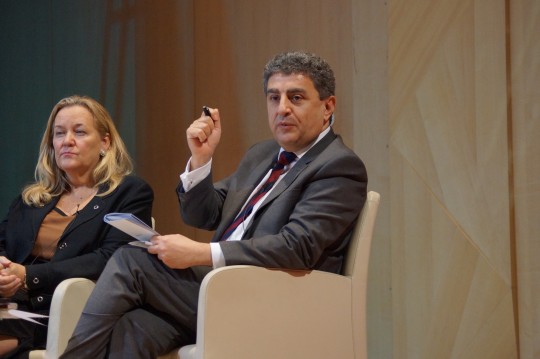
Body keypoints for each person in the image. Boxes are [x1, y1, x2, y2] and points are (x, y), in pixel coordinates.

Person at [60, 51, 368, 358]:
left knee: (131, 261)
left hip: (272, 299)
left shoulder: (338, 166)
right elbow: (204, 214)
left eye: (296, 98)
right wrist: (201, 159)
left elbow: (297, 247)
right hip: (218, 291)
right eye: (274, 98)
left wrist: (200, 253)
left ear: (328, 107)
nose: (282, 109)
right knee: (133, 328)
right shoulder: (262, 155)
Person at [0, 95, 154, 358]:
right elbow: (3, 243)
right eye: (59, 133)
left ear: (105, 142)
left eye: (79, 132)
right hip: (11, 304)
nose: (67, 141)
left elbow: (111, 259)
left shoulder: (129, 193)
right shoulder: (32, 198)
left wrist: (27, 275)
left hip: (70, 310)